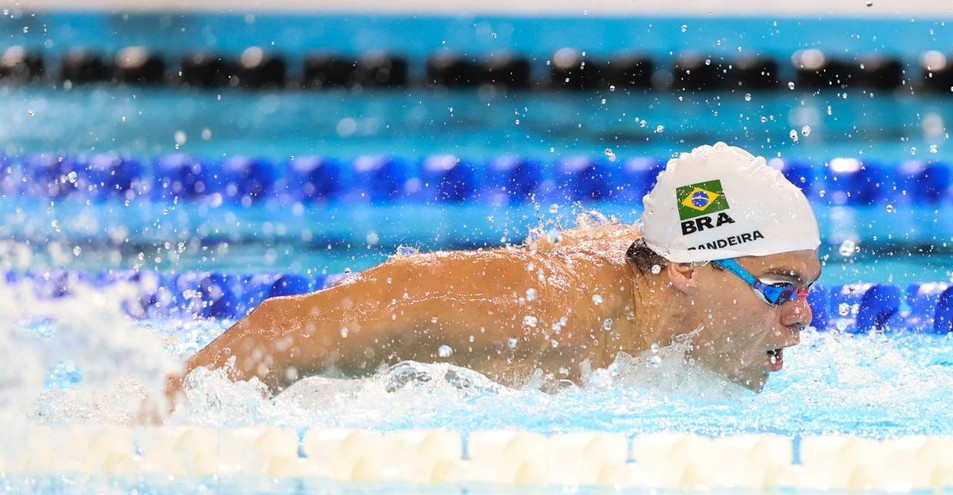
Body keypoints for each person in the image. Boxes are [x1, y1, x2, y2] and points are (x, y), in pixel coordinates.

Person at [164, 142, 821, 405]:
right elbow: (280, 324)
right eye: (781, 286)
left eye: (808, 289)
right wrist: (155, 424)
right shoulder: (554, 321)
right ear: (684, 270)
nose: (802, 316)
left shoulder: (666, 275)